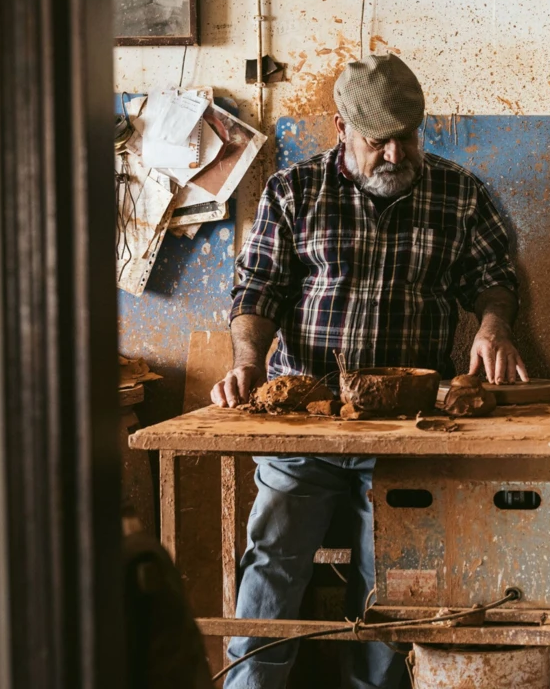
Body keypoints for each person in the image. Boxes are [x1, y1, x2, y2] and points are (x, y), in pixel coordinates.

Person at [211, 54, 528, 688]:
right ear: (340, 127)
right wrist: (249, 362)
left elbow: (494, 280)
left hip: (411, 430)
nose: (393, 155)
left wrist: (494, 325)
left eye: (406, 138)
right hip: (310, 425)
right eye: (377, 141)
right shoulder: (293, 191)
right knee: (272, 556)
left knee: (394, 572)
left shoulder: (460, 193)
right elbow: (258, 291)